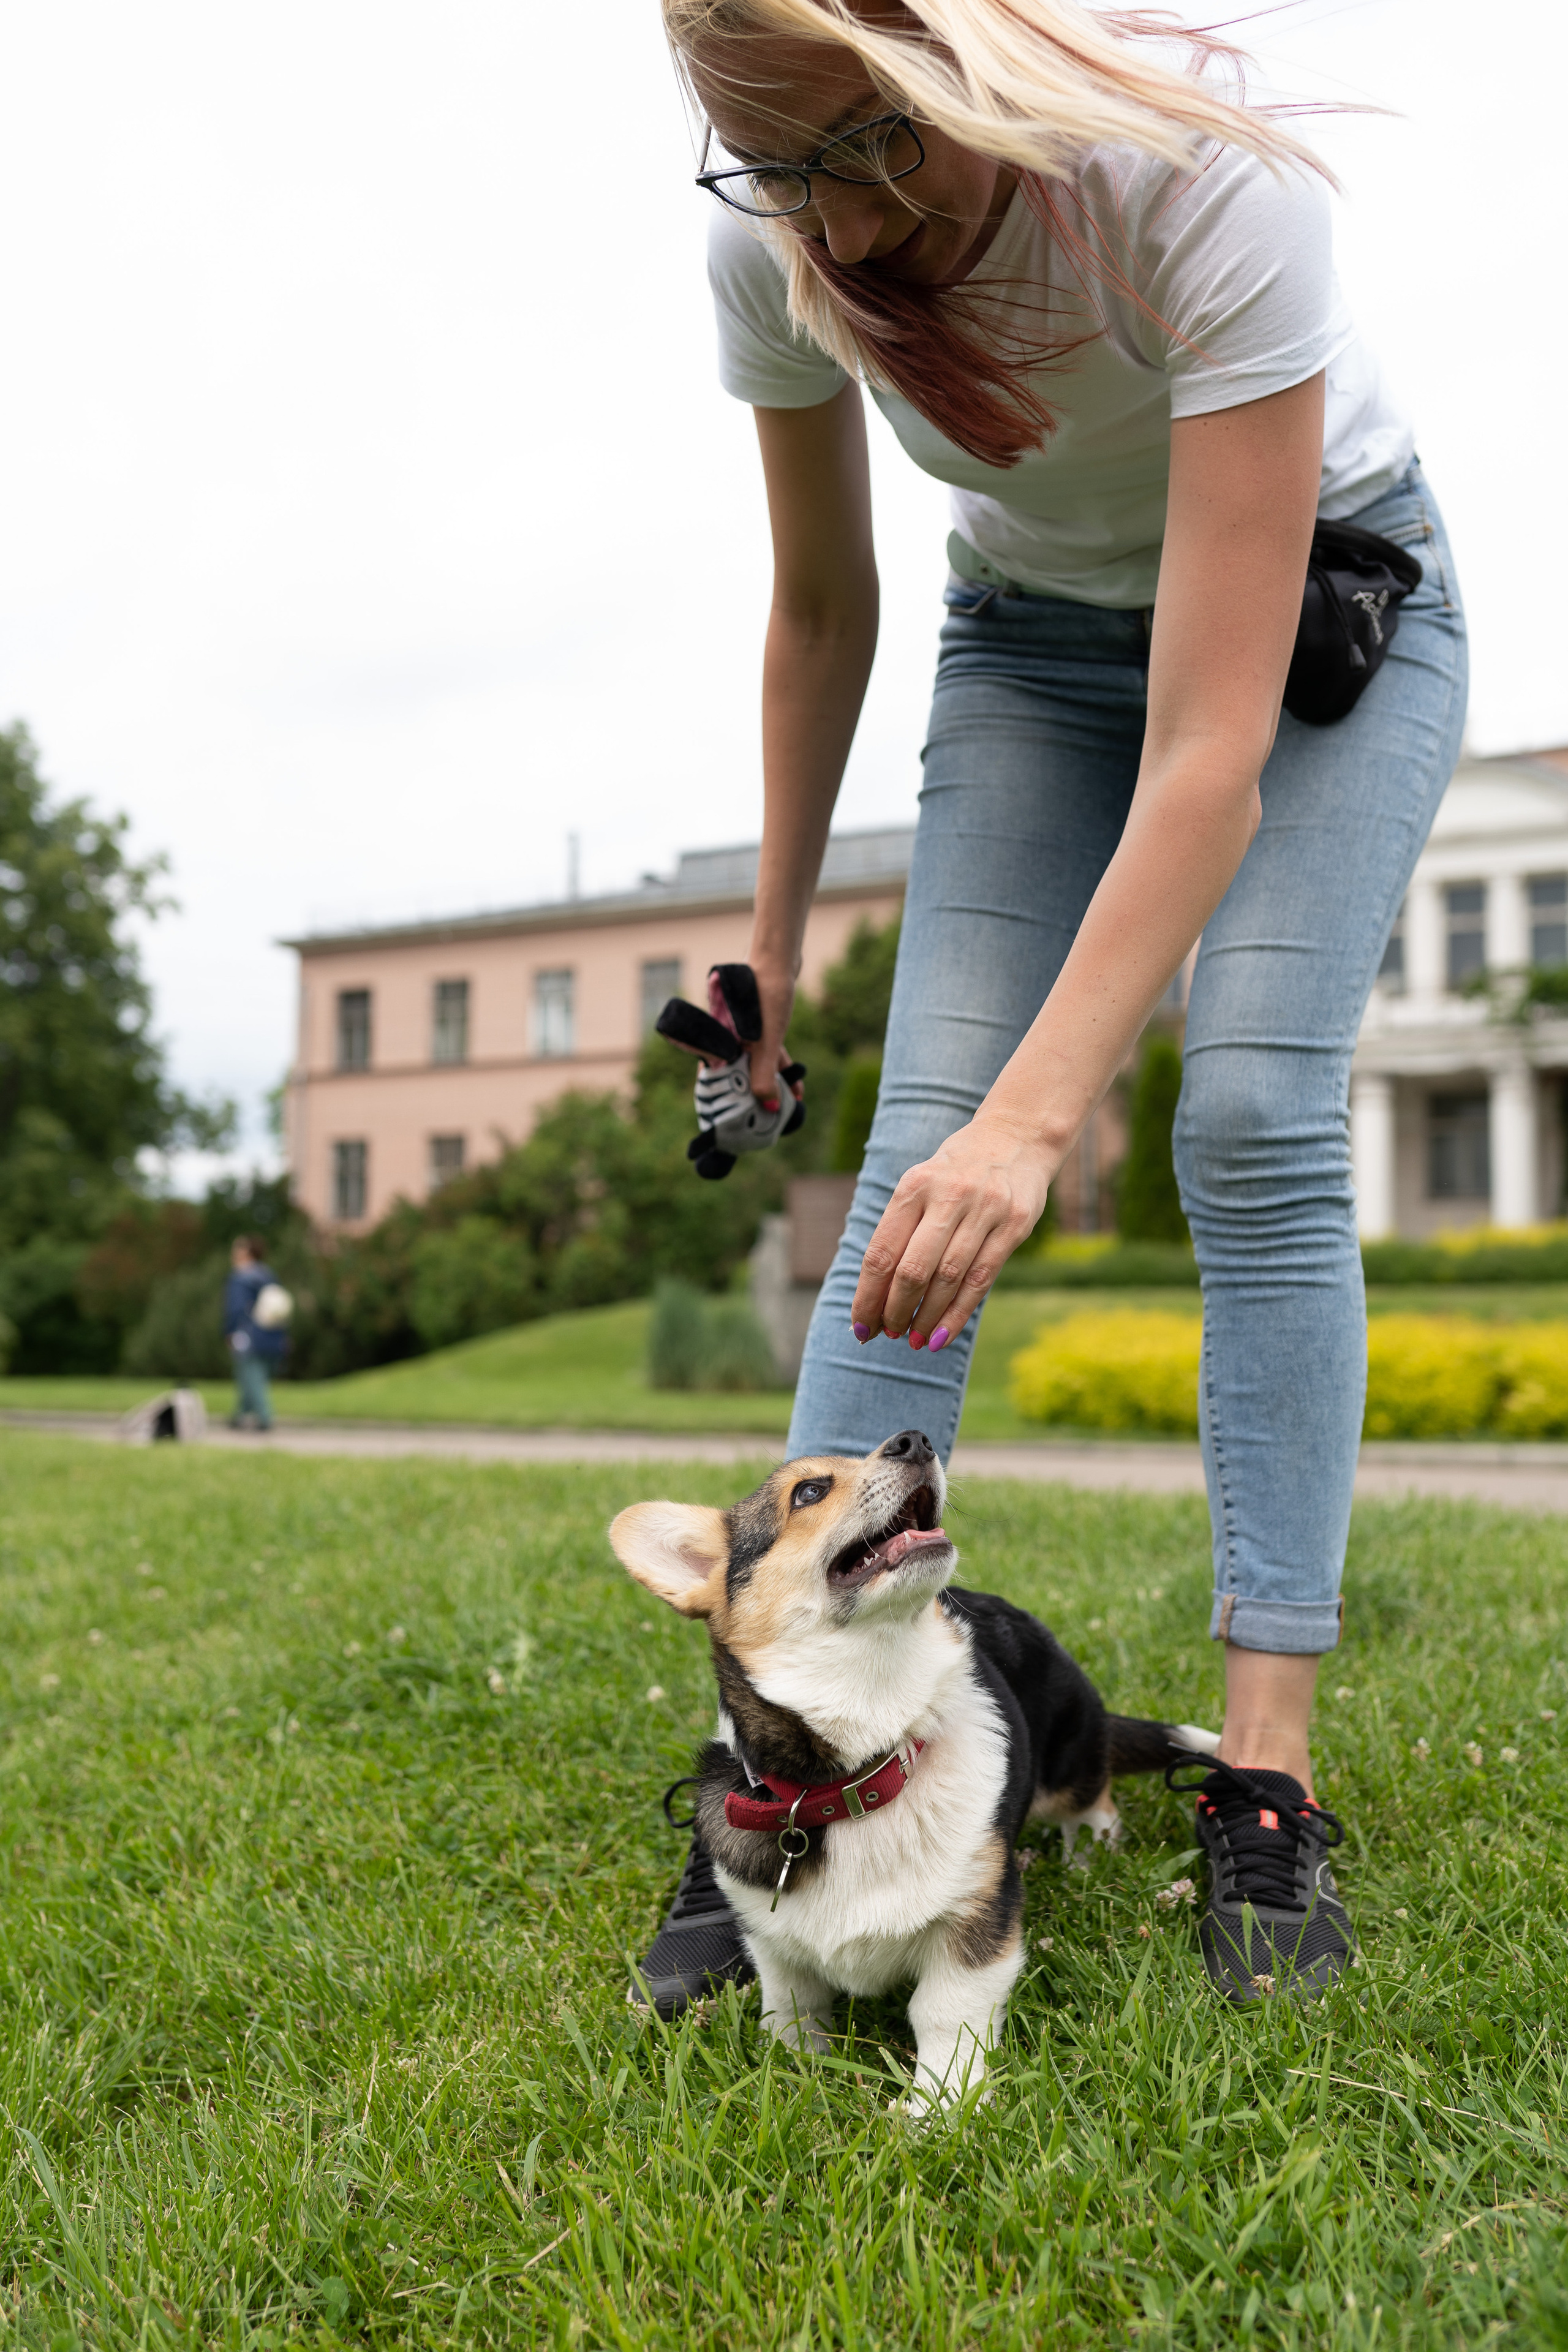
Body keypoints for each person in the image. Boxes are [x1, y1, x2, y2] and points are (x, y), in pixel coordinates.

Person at [634, 0, 1466, 2016]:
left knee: (1251, 1115)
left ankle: (1262, 1782)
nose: (827, 221)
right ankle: (803, 1762)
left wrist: (1037, 1118)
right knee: (922, 1140)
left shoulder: (1202, 182)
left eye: (859, 148)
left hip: (1318, 631)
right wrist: (766, 959)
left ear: (951, 58)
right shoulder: (780, 246)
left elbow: (1208, 755)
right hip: (1026, 641)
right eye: (775, 171)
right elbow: (822, 605)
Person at [224, 1235, 285, 1431]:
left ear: (246, 1253)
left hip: (248, 1335)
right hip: (272, 1335)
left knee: (251, 1376)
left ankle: (265, 1418)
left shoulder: (240, 1278)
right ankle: (239, 1415)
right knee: (252, 1376)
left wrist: (230, 1332)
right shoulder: (268, 1275)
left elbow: (236, 1309)